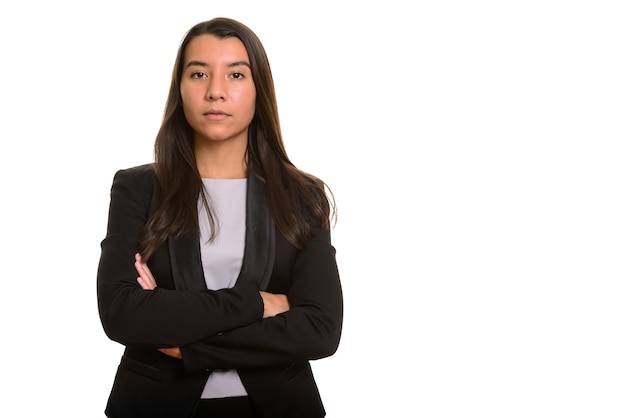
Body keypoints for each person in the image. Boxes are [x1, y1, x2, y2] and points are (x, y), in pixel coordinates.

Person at [96, 17, 343, 418]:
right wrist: (257, 304)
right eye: (199, 73)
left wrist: (189, 345)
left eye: (235, 74)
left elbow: (320, 329)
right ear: (180, 88)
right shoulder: (138, 188)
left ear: (258, 89)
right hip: (155, 406)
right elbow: (122, 313)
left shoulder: (301, 195)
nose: (215, 91)